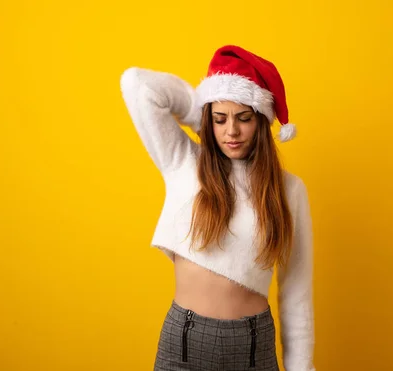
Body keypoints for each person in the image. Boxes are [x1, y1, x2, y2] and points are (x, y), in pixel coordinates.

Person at [120, 45, 315, 371]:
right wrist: (204, 113)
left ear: (262, 121)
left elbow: (296, 293)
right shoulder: (183, 161)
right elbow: (138, 85)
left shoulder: (289, 190)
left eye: (244, 118)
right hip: (183, 343)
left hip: (254, 347)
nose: (232, 132)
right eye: (220, 119)